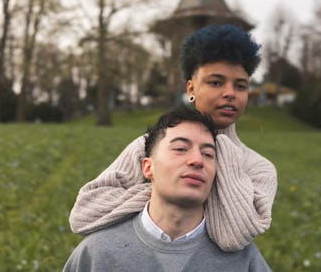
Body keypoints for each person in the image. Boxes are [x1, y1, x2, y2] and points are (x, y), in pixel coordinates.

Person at [69, 24, 277, 251]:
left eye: (240, 86)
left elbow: (232, 236)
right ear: (191, 88)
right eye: (215, 82)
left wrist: (221, 149)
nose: (230, 93)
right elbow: (84, 213)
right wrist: (162, 195)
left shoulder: (259, 169)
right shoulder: (150, 147)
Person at [63, 107, 271, 271]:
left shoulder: (244, 262)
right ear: (148, 167)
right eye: (180, 149)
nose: (197, 160)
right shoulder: (98, 254)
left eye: (208, 154)